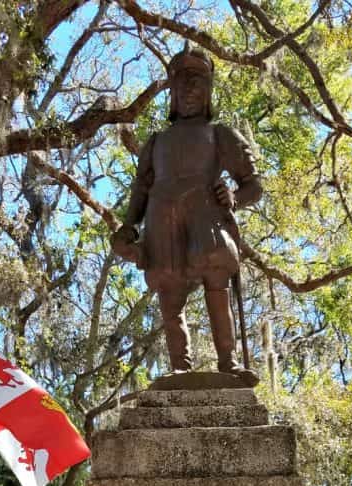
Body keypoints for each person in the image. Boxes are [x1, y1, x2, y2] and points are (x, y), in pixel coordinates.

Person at [111, 46, 262, 376]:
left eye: (197, 79)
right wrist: (128, 227)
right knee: (169, 290)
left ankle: (228, 362)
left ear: (208, 89)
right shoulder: (155, 142)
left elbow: (254, 186)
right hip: (161, 216)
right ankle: (180, 365)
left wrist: (234, 195)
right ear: (172, 91)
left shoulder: (220, 135)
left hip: (204, 213)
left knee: (215, 278)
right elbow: (141, 189)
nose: (189, 87)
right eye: (181, 80)